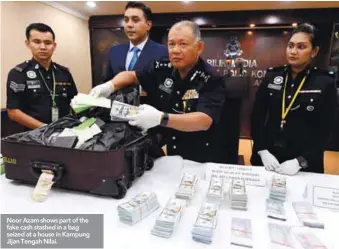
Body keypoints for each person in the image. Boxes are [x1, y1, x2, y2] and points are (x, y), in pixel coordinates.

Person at [89, 20, 226, 163]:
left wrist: (161, 118)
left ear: (199, 47)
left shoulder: (211, 78)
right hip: (166, 149)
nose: (175, 50)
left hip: (198, 152)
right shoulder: (162, 66)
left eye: (183, 44)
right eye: (171, 44)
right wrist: (109, 86)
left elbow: (204, 120)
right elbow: (132, 75)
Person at [250, 23, 337, 175]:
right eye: (290, 46)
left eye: (301, 47)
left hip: (304, 160)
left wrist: (301, 160)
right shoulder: (272, 76)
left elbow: (326, 129)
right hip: (270, 156)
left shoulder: (325, 82)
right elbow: (257, 117)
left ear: (314, 51)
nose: (293, 51)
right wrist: (262, 150)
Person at [6, 23, 78, 130]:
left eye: (48, 43)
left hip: (64, 132)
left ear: (54, 46)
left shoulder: (63, 72)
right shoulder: (18, 73)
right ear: (28, 43)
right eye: (37, 42)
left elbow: (74, 101)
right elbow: (13, 111)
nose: (43, 47)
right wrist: (45, 128)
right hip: (32, 136)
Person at [102, 1, 168, 101]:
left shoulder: (163, 52)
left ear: (148, 25)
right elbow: (107, 82)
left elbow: (166, 88)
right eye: (126, 20)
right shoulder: (114, 51)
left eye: (135, 20)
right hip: (117, 112)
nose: (129, 25)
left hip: (150, 112)